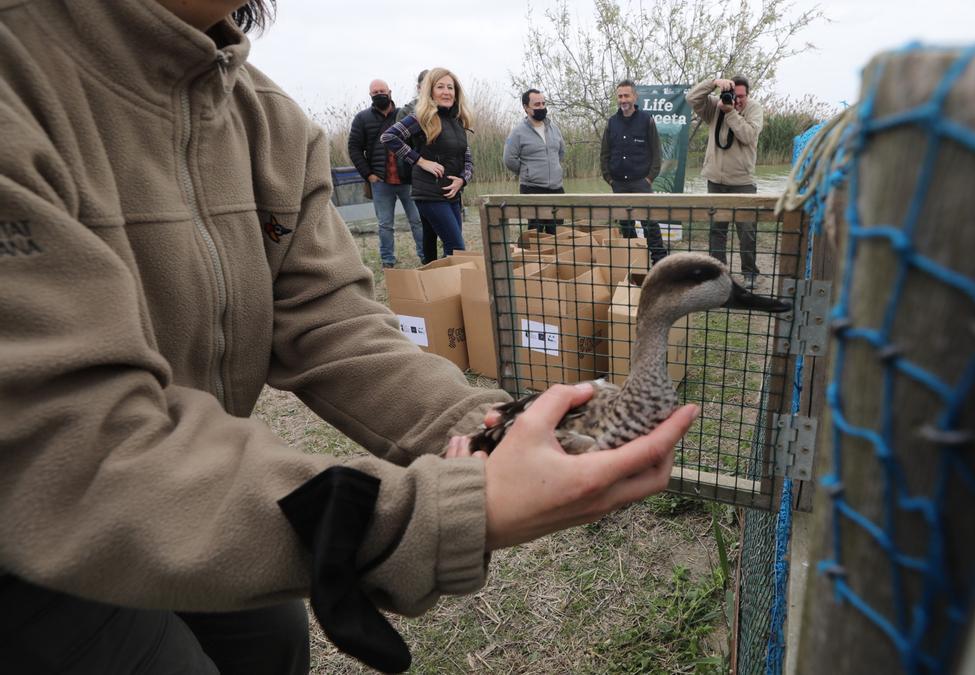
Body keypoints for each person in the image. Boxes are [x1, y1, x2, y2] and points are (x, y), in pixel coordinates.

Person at [0, 2, 698, 673]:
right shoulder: (20, 87)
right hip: (28, 543)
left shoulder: (268, 124)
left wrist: (490, 431)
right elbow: (72, 446)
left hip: (191, 499)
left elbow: (336, 325)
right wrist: (449, 511)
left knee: (273, 638)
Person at [381, 68, 473, 262]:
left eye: (450, 87)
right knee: (458, 248)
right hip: (430, 194)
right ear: (430, 90)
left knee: (451, 251)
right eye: (440, 87)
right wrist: (420, 161)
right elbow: (389, 137)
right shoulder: (421, 117)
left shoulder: (457, 120)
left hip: (452, 194)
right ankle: (450, 288)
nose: (446, 92)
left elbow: (467, 156)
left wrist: (462, 180)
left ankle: (441, 288)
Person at [687, 75, 764, 288]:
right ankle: (717, 275)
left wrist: (730, 112)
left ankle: (750, 273)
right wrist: (713, 82)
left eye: (741, 96)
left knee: (747, 230)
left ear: (748, 95)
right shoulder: (715, 105)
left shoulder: (754, 109)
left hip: (743, 182)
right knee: (717, 229)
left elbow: (748, 135)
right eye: (733, 95)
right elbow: (691, 98)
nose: (736, 100)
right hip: (716, 180)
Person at [348, 78, 424, 267]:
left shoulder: (404, 114)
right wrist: (368, 174)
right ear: (370, 96)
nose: (379, 95)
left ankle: (425, 255)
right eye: (375, 93)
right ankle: (387, 260)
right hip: (381, 180)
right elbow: (354, 148)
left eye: (382, 91)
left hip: (406, 179)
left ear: (389, 92)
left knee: (418, 221)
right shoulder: (362, 118)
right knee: (385, 224)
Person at [600, 79, 668, 264]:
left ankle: (659, 262)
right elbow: (604, 153)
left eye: (626, 95)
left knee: (650, 224)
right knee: (626, 225)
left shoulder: (646, 120)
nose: (623, 100)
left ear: (634, 97)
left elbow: (656, 152)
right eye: (620, 96)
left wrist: (649, 178)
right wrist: (609, 178)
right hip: (618, 184)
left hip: (641, 182)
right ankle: (634, 262)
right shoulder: (611, 123)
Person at [503, 88, 566, 234]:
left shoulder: (554, 128)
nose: (541, 107)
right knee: (535, 232)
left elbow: (561, 152)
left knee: (557, 232)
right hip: (532, 188)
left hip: (557, 189)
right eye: (537, 104)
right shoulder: (518, 132)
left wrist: (553, 168)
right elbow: (509, 159)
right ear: (526, 107)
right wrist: (527, 171)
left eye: (543, 103)